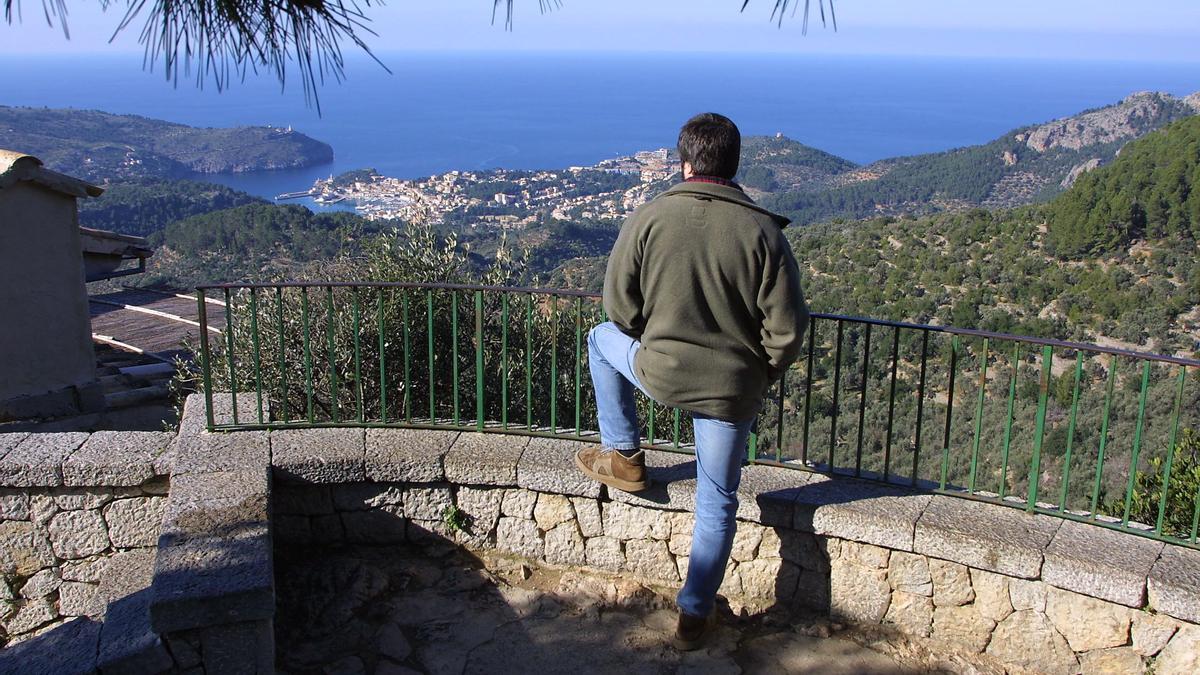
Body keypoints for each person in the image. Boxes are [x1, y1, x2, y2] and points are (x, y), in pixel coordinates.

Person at [574, 112, 809, 650]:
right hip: (732, 389)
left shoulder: (650, 217)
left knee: (599, 341)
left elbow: (618, 308)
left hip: (661, 371)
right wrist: (764, 371)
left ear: (684, 163)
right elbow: (788, 329)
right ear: (734, 165)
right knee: (717, 500)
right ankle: (694, 616)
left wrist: (651, 336)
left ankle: (624, 454)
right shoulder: (763, 231)